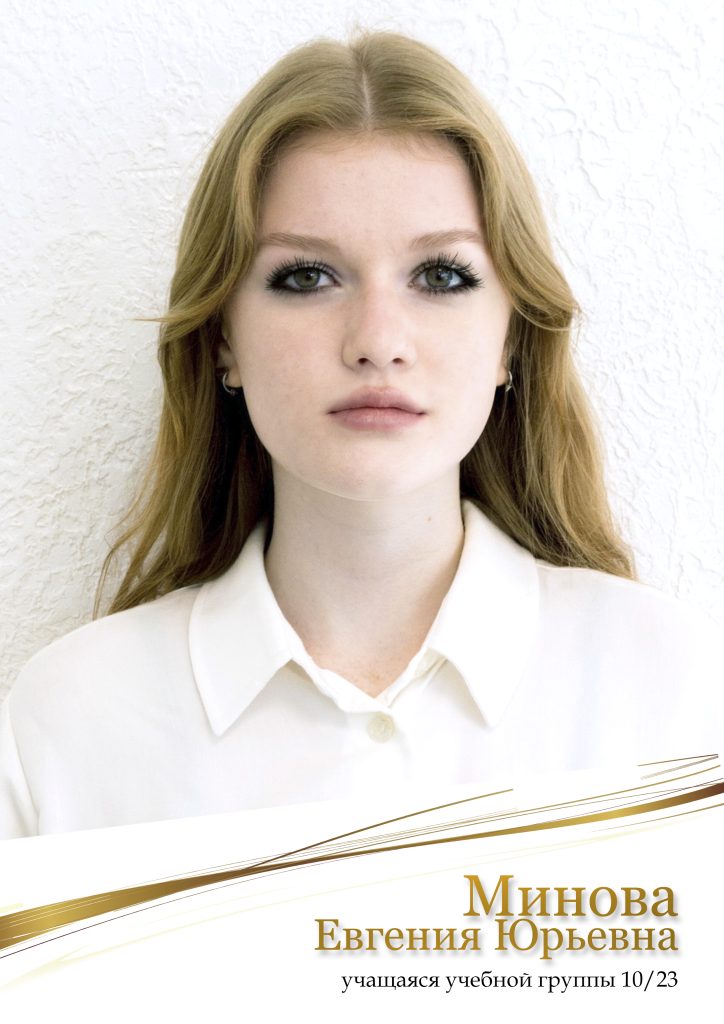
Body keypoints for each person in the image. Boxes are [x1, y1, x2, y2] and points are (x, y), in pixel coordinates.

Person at [0, 32, 719, 839]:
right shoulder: (69, 724)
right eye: (306, 276)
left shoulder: (678, 690)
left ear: (512, 339)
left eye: (441, 275)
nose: (378, 341)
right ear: (224, 339)